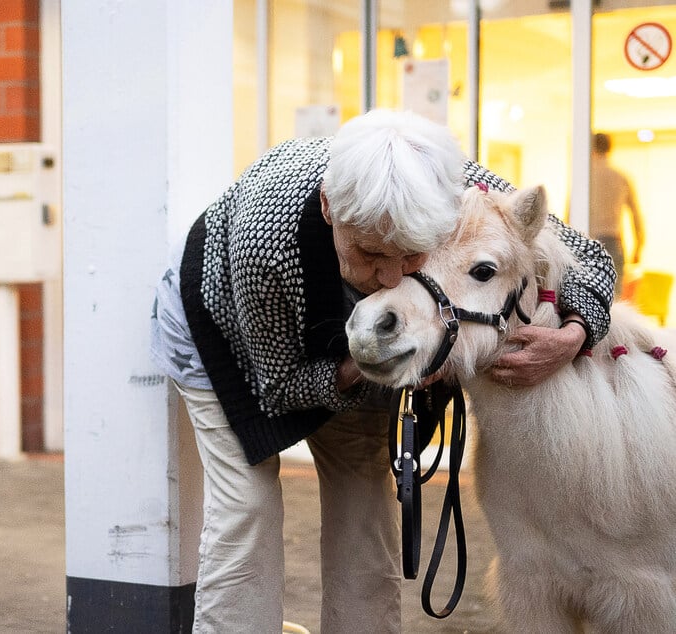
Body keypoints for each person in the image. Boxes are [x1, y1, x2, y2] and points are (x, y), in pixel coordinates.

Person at [150, 109, 615, 633]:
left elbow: (584, 253)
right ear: (329, 207)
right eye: (370, 253)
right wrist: (367, 368)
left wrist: (573, 335)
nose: (390, 276)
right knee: (247, 511)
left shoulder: (446, 181)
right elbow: (279, 388)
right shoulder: (266, 232)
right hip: (228, 341)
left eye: (412, 255)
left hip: (359, 341)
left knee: (364, 509)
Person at [589, 132, 644, 297]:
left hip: (588, 240)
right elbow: (636, 215)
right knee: (615, 298)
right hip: (614, 242)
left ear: (592, 147)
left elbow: (570, 213)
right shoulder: (621, 177)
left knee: (588, 295)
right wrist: (639, 246)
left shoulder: (585, 177)